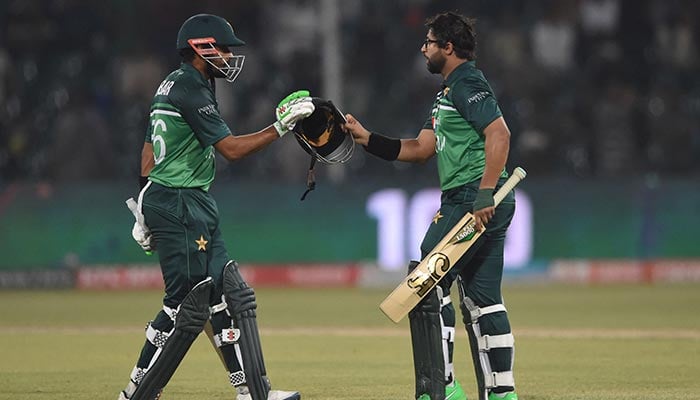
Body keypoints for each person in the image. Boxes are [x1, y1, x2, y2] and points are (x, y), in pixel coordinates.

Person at [118, 14, 314, 400]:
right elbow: (231, 150)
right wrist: (280, 127)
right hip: (180, 202)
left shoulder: (173, 83)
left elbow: (147, 152)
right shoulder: (190, 88)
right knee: (185, 307)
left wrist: (144, 203)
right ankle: (136, 394)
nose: (228, 56)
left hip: (182, 199)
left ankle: (253, 392)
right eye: (223, 48)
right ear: (200, 48)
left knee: (230, 294)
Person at [344, 11, 518, 400]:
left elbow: (500, 134)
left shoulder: (466, 83)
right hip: (484, 198)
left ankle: (440, 388)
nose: (423, 49)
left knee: (426, 282)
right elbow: (420, 149)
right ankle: (501, 393)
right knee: (483, 299)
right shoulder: (446, 94)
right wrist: (366, 138)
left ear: (448, 47)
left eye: (429, 43)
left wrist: (485, 192)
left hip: (472, 198)